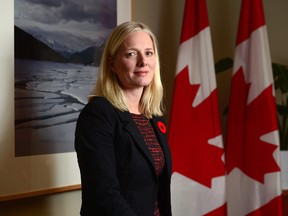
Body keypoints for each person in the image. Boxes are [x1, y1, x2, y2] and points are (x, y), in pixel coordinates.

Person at [74, 21, 172, 216]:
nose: (143, 62)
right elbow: (104, 196)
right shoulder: (98, 115)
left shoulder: (151, 117)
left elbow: (157, 192)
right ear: (112, 64)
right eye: (131, 54)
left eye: (148, 53)